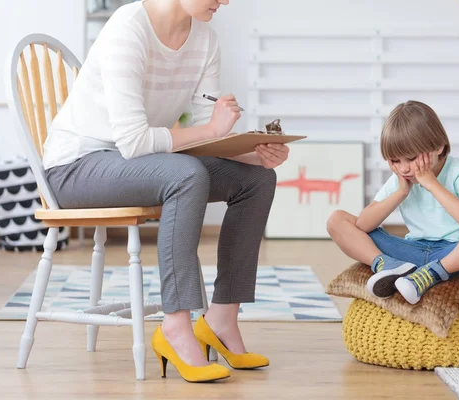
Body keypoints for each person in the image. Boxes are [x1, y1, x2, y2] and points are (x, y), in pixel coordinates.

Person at [43, 0, 290, 382]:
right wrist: (212, 130)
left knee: (256, 180)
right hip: (76, 167)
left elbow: (203, 138)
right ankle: (175, 326)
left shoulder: (205, 39)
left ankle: (221, 319)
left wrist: (256, 154)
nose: (225, 1)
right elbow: (135, 141)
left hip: (143, 163)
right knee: (186, 175)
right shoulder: (128, 28)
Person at [326, 100, 459, 305]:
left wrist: (432, 185)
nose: (404, 168)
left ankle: (430, 274)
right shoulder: (403, 178)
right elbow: (363, 225)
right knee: (337, 220)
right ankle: (387, 265)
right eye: (395, 161)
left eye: (411, 158)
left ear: (438, 146)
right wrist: (400, 192)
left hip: (455, 255)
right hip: (411, 252)